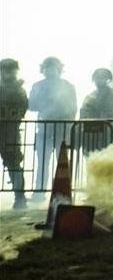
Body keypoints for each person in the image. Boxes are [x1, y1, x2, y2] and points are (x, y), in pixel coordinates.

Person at [28, 57, 77, 200]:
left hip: (62, 128)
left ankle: (64, 191)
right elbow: (31, 105)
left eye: (53, 67)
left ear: (59, 69)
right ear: (43, 69)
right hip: (44, 128)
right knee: (42, 161)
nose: (50, 70)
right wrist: (44, 99)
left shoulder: (68, 86)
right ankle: (39, 192)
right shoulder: (38, 86)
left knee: (63, 162)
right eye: (47, 67)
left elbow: (73, 108)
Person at [0, 58, 30, 209]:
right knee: (14, 165)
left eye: (11, 70)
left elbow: (22, 108)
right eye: (6, 69)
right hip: (9, 130)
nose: (8, 73)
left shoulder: (19, 89)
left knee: (13, 164)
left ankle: (20, 197)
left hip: (10, 131)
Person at [79, 68, 113, 155]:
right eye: (97, 78)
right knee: (90, 154)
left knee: (105, 155)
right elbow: (83, 112)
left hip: (105, 131)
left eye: (102, 78)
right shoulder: (90, 95)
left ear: (107, 80)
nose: (99, 80)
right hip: (90, 131)